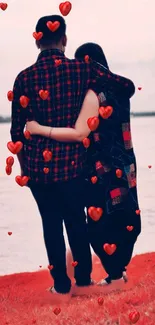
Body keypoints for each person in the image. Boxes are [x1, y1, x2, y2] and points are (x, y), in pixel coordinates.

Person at [10, 15, 135, 295]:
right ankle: (82, 280)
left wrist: (25, 169)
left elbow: (17, 132)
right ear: (64, 40)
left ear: (37, 40)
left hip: (39, 172)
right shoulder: (82, 71)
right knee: (76, 221)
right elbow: (123, 85)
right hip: (73, 167)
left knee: (50, 227)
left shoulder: (23, 77)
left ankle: (61, 286)